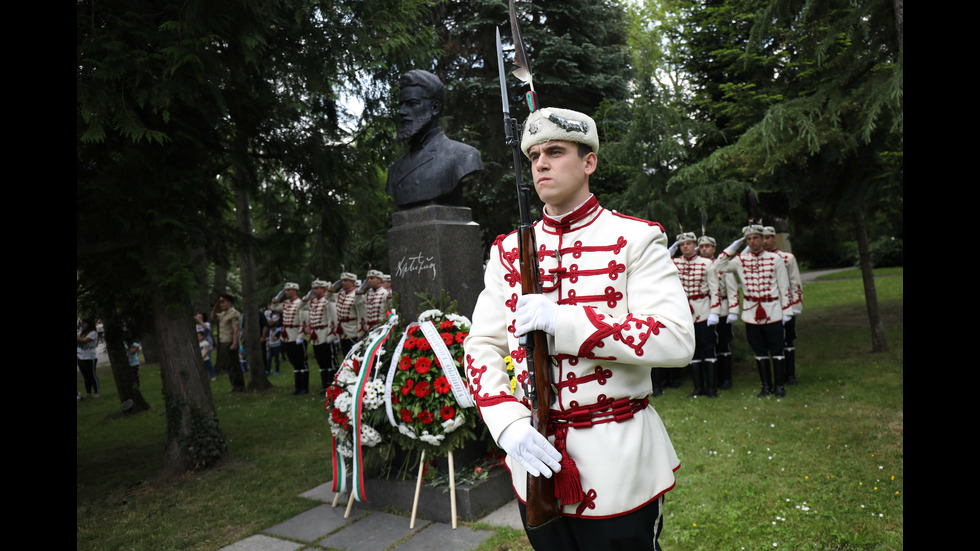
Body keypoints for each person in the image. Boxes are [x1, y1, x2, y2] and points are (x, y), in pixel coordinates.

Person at [463, 107, 695, 550]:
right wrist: (506, 423)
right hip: (534, 458)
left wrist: (563, 321)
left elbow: (677, 338)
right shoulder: (509, 251)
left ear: (589, 161)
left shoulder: (637, 238)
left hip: (619, 460)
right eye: (533, 156)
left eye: (555, 151)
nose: (542, 164)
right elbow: (481, 345)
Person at [710, 225, 793, 397]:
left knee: (777, 349)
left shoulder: (774, 259)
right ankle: (765, 386)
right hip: (751, 312)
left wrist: (787, 311)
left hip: (773, 311)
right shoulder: (741, 260)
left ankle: (779, 386)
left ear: (763, 239)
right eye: (749, 239)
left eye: (756, 238)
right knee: (759, 350)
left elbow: (784, 285)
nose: (753, 241)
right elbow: (718, 266)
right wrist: (734, 247)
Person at [673, 231, 720, 397]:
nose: (685, 246)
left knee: (708, 348)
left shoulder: (707, 263)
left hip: (704, 310)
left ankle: (712, 388)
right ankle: (698, 388)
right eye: (682, 244)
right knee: (692, 350)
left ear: (695, 245)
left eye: (689, 243)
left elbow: (715, 290)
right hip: (684, 312)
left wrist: (715, 312)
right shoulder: (673, 263)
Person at [763, 226, 803, 384]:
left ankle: (790, 374)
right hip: (768, 305)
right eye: (762, 238)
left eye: (768, 237)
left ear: (774, 238)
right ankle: (775, 375)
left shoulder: (787, 258)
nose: (765, 241)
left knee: (788, 339)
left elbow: (795, 283)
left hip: (786, 304)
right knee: (772, 341)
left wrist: (796, 306)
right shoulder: (758, 259)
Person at [700, 236, 739, 389]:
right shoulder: (699, 266)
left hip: (722, 309)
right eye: (702, 247)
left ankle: (726, 378)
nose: (704, 249)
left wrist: (733, 310)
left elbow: (732, 289)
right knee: (708, 345)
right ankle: (712, 379)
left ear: (714, 249)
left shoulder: (722, 266)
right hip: (703, 309)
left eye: (708, 246)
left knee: (723, 344)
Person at [270, 283, 310, 395]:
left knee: (301, 362)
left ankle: (304, 387)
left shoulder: (301, 303)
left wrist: (301, 336)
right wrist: (278, 296)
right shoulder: (286, 303)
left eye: (288, 290)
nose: (286, 292)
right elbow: (273, 307)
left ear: (295, 291)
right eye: (285, 290)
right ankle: (298, 387)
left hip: (296, 335)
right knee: (294, 363)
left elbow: (304, 321)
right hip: (287, 336)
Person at [307, 279, 340, 392]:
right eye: (313, 288)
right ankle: (324, 383)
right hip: (316, 335)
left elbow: (333, 318)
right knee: (321, 361)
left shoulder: (328, 300)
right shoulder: (313, 301)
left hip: (325, 333)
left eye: (317, 288)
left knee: (329, 360)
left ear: (323, 289)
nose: (314, 290)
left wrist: (332, 334)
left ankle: (332, 384)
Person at [211, 295, 244, 392]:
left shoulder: (233, 313)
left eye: (224, 302)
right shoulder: (223, 314)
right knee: (228, 366)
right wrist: (214, 309)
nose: (221, 304)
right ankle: (234, 385)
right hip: (223, 342)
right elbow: (213, 317)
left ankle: (238, 386)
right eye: (220, 303)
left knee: (234, 365)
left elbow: (236, 330)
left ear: (229, 303)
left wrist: (234, 343)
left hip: (230, 342)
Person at [334, 272, 365, 357]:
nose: (342, 282)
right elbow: (328, 298)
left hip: (353, 330)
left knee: (355, 356)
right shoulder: (341, 293)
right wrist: (332, 288)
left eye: (345, 280)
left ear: (352, 282)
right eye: (342, 280)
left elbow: (361, 315)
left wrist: (361, 332)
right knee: (345, 356)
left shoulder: (357, 295)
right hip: (342, 330)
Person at [77, 318, 100, 398]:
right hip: (80, 356)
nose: (82, 325)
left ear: (89, 324)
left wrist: (79, 337)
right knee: (85, 376)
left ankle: (96, 392)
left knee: (92, 375)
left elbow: (84, 340)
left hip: (90, 357)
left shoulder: (93, 333)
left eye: (84, 323)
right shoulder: (81, 332)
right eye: (82, 324)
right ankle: (88, 392)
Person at [361, 269, 390, 333]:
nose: (369, 281)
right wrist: (360, 289)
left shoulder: (385, 293)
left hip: (381, 328)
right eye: (368, 279)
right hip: (368, 328)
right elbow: (357, 302)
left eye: (371, 278)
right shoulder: (368, 293)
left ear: (379, 280)